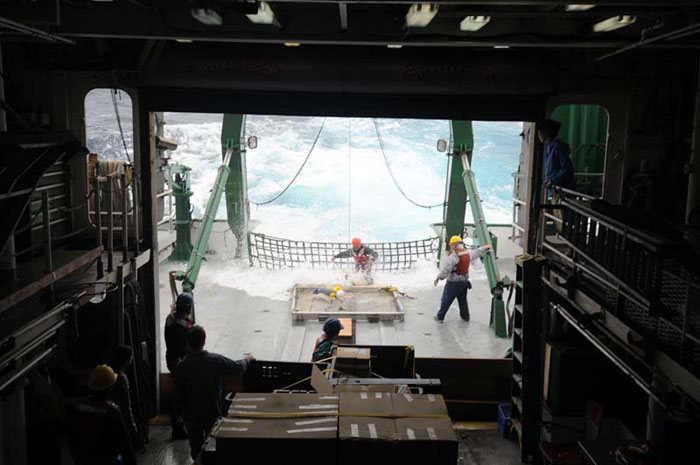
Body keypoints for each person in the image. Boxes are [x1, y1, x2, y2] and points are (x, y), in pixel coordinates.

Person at [175, 326, 254, 460]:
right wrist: (248, 359)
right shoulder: (214, 361)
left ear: (187, 344)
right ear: (204, 341)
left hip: (191, 415)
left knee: (196, 448)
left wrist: (180, 415)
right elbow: (237, 367)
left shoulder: (182, 366)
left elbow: (178, 394)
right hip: (211, 411)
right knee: (212, 445)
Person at [66, 365, 137, 465]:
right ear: (110, 388)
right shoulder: (112, 411)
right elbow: (125, 447)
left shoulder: (76, 407)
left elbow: (72, 439)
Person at [433, 236, 491, 322]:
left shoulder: (453, 256)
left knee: (446, 300)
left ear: (454, 245)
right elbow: (477, 252)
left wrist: (438, 278)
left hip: (453, 283)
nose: (451, 246)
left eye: (451, 245)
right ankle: (465, 316)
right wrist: (485, 248)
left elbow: (446, 271)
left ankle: (440, 316)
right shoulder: (467, 253)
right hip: (464, 282)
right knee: (462, 300)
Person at [164, 292, 194, 439]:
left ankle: (180, 425)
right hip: (178, 363)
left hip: (172, 360)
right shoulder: (179, 328)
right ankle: (178, 427)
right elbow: (184, 349)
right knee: (180, 395)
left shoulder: (171, 319)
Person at [110, 345, 141, 451]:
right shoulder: (122, 379)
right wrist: (133, 427)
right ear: (127, 360)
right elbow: (126, 406)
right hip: (119, 418)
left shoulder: (109, 374)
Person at [538, 119, 575, 192]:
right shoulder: (549, 147)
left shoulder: (558, 147)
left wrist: (552, 180)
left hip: (561, 191)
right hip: (554, 190)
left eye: (539, 133)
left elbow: (567, 169)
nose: (539, 135)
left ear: (545, 133)